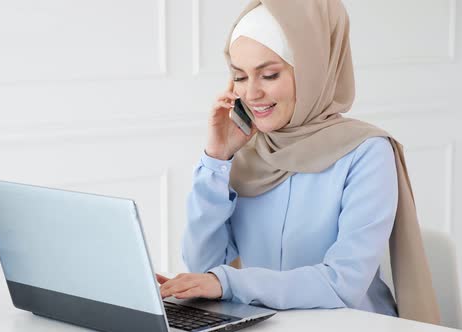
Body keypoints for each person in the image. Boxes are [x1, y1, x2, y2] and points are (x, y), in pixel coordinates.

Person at [157, 0, 440, 324]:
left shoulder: (367, 152)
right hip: (269, 323)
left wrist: (229, 283)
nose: (251, 94)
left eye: (269, 74)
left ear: (311, 71)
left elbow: (342, 284)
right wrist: (216, 160)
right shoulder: (248, 151)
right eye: (240, 76)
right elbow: (203, 264)